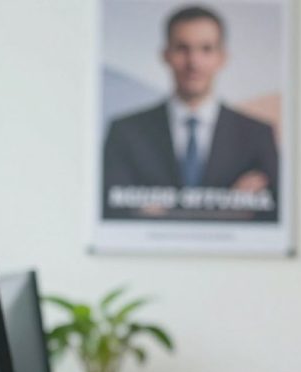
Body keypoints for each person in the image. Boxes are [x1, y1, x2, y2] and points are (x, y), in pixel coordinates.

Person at [102, 5, 279, 221]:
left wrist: (160, 211)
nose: (193, 62)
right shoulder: (126, 132)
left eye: (206, 49)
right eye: (182, 48)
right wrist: (228, 207)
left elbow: (273, 216)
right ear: (166, 55)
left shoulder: (257, 135)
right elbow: (112, 213)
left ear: (221, 57)